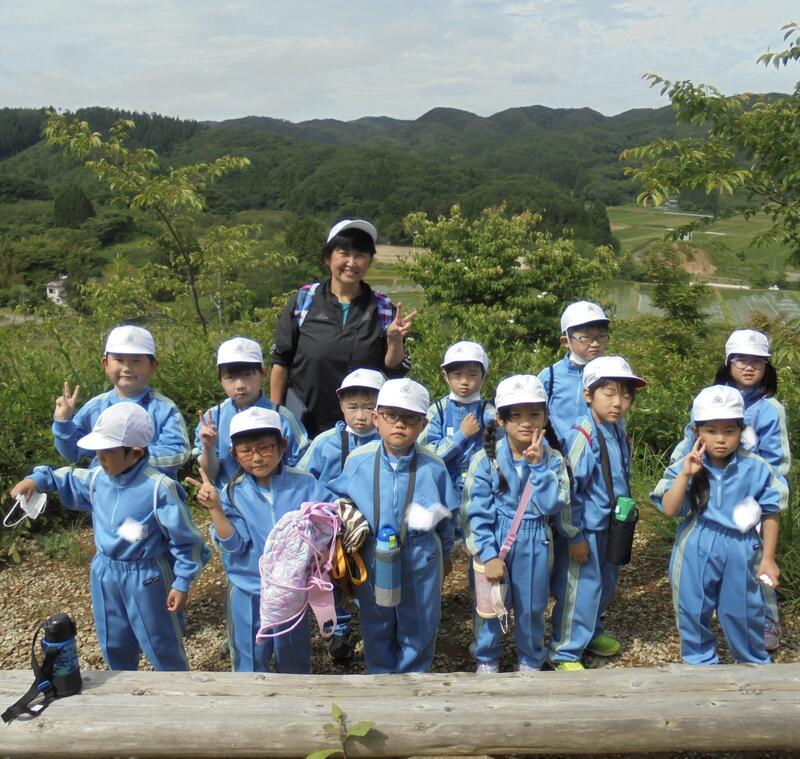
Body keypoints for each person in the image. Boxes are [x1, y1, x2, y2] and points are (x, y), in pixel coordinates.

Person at [11, 403, 209, 671]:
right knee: (114, 640)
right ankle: (122, 686)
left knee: (160, 641)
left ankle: (176, 689)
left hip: (146, 575)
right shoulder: (97, 479)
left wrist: (182, 581)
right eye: (98, 450)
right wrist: (36, 480)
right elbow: (64, 478)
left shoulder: (159, 488)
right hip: (104, 572)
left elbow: (186, 540)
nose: (100, 457)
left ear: (135, 452)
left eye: (107, 451)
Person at [668, 329, 790, 650]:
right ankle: (711, 620)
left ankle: (765, 619)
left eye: (757, 362)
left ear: (767, 366)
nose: (749, 367)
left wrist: (765, 496)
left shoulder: (769, 408)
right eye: (741, 360)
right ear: (728, 362)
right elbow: (690, 441)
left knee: (756, 559)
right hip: (711, 490)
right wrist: (681, 475)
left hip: (751, 495)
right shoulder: (710, 398)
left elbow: (777, 459)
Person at [327, 378, 458, 673]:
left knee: (420, 621)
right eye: (391, 416)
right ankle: (382, 677)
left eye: (410, 418)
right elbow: (339, 502)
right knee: (376, 620)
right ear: (376, 419)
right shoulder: (358, 461)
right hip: (373, 552)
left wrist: (446, 554)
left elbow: (447, 518)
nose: (400, 424)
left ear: (423, 424)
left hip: (421, 554)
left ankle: (414, 677)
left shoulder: (433, 466)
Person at [650, 385, 785, 665]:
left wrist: (768, 559)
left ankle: (752, 662)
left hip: (742, 545)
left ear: (741, 431)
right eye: (711, 431)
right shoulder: (685, 465)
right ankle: (699, 662)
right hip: (696, 542)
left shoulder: (756, 467)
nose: (720, 439)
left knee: (743, 609)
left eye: (729, 431)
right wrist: (685, 475)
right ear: (696, 431)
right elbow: (670, 509)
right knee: (692, 606)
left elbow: (771, 512)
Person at [186, 407, 327, 673]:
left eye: (265, 447)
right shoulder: (232, 493)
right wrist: (216, 509)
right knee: (249, 658)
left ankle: (295, 695)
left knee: (294, 657)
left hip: (292, 590)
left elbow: (328, 523)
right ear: (234, 455)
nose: (257, 457)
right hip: (248, 588)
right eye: (246, 451)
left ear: (282, 446)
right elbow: (234, 545)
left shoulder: (306, 485)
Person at [462, 375, 570, 673]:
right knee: (488, 605)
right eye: (516, 415)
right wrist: (487, 555)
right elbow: (475, 512)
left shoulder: (553, 459)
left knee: (532, 606)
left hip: (536, 539)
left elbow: (553, 504)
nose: (526, 423)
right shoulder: (485, 459)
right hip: (495, 537)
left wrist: (538, 468)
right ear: (500, 419)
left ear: (545, 417)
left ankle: (530, 658)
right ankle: (487, 656)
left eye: (534, 414)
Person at [269, 219, 414, 437]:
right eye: (344, 253)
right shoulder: (304, 300)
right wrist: (276, 417)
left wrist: (395, 341)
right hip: (305, 426)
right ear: (328, 258)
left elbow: (393, 370)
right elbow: (281, 362)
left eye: (360, 255)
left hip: (364, 428)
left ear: (369, 262)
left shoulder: (382, 307)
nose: (352, 262)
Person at [549, 355, 645, 670]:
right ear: (588, 394)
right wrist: (573, 535)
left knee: (604, 585)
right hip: (586, 530)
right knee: (580, 590)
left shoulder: (617, 430)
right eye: (609, 393)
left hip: (611, 527)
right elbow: (568, 490)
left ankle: (590, 632)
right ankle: (564, 651)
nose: (618, 403)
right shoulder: (583, 434)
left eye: (626, 395)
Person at [297, 367, 385, 663]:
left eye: (369, 407)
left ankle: (377, 631)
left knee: (370, 579)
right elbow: (303, 479)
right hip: (332, 529)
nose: (361, 415)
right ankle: (339, 631)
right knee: (332, 578)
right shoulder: (326, 443)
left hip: (372, 527)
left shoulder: (388, 441)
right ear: (341, 405)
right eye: (353, 407)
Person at [52, 324, 191, 479]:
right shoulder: (95, 407)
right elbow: (72, 454)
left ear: (152, 365)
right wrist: (63, 423)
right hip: (104, 491)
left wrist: (130, 457)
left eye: (136, 361)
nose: (127, 368)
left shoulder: (164, 409)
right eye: (119, 360)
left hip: (152, 491)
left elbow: (179, 453)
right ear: (106, 364)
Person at [194, 336, 309, 488]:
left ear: (263, 374)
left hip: (279, 496)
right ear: (220, 380)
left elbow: (302, 466)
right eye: (230, 377)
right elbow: (210, 475)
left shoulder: (282, 417)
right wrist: (208, 447)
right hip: (229, 500)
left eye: (247, 375)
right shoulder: (212, 418)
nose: (240, 385)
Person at [419, 341, 496, 497]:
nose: (464, 381)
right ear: (445, 376)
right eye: (457, 375)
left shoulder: (490, 414)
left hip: (481, 491)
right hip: (442, 491)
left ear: (484, 377)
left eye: (472, 374)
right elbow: (426, 453)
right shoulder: (437, 411)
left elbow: (500, 452)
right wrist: (461, 435)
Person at [539, 301, 611, 446]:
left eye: (601, 336)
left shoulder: (612, 374)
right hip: (558, 453)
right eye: (586, 338)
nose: (595, 344)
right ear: (566, 341)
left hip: (601, 453)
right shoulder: (550, 376)